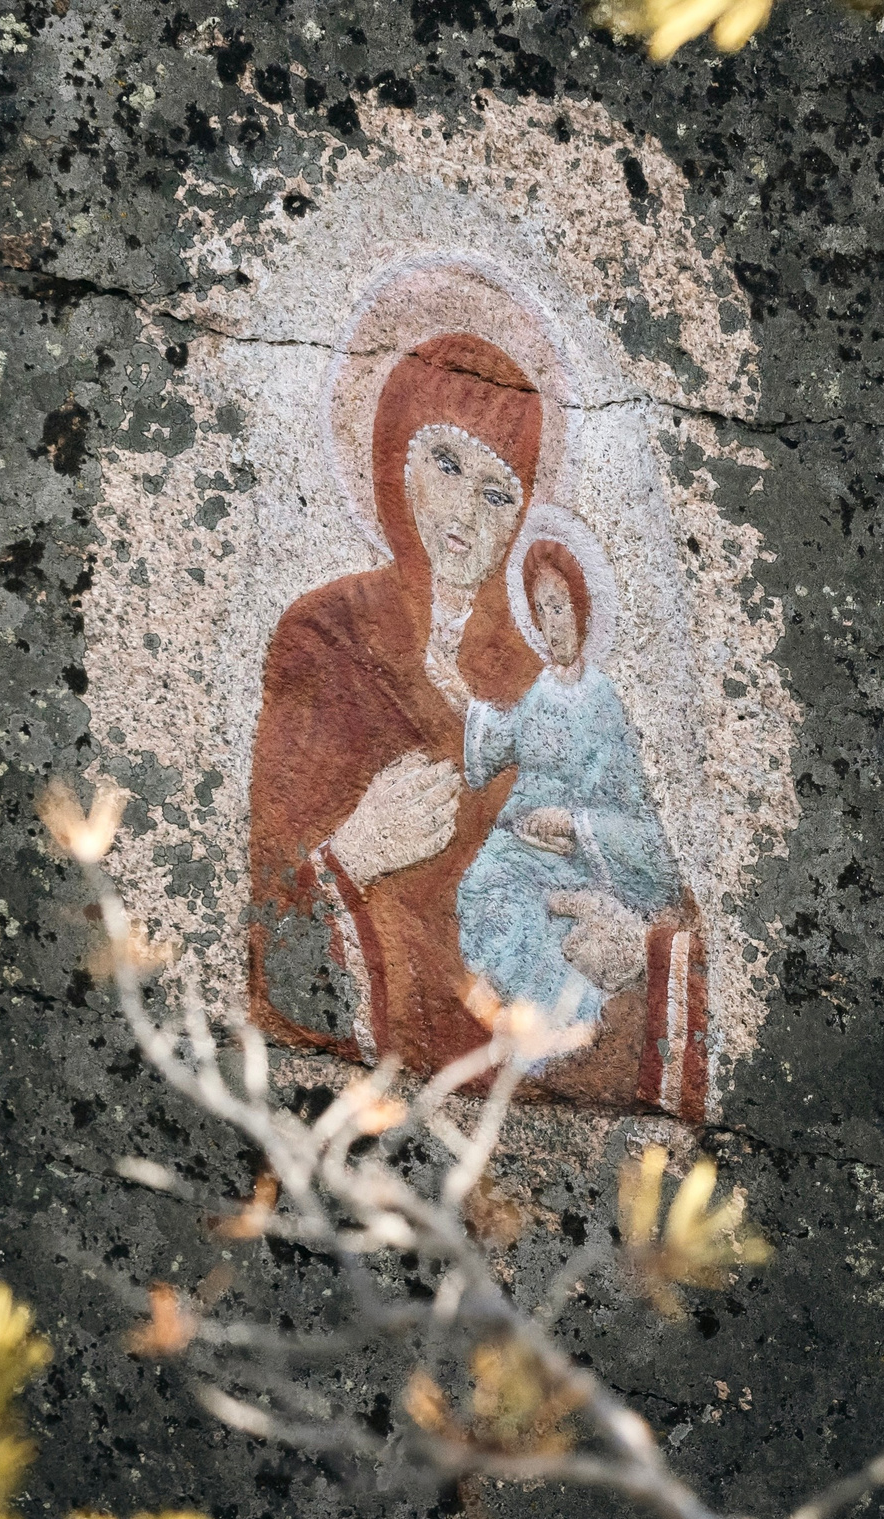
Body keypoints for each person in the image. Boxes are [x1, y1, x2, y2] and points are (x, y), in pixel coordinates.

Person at [246, 331, 706, 1112]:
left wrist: (637, 946)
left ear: (524, 517)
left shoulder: (551, 682)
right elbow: (265, 918)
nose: (464, 512)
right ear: (395, 459)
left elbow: (645, 860)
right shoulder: (325, 635)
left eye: (498, 494)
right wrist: (356, 851)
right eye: (447, 464)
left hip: (534, 1037)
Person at [457, 537, 679, 1035]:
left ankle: (558, 1031)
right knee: (479, 887)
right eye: (541, 610)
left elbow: (632, 813)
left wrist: (573, 825)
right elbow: (511, 739)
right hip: (518, 845)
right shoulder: (540, 688)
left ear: (582, 607)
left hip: (575, 861)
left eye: (559, 607)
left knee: (531, 920)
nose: (550, 623)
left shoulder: (603, 700)